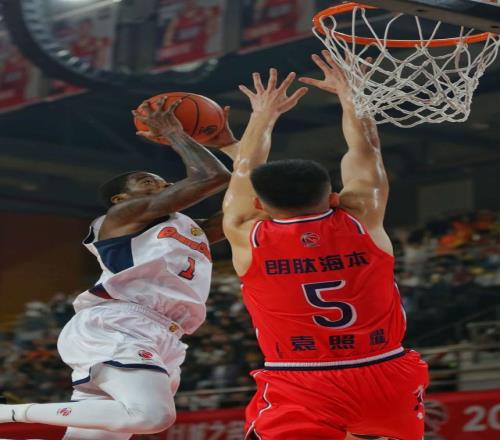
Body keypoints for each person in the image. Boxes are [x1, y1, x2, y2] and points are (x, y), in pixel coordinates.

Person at [0, 98, 238, 439]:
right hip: (120, 322)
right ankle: (9, 413)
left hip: (165, 334)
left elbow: (251, 203)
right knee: (151, 416)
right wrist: (174, 133)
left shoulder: (192, 227)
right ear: (120, 199)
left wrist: (235, 147)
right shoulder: (120, 217)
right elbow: (212, 177)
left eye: (162, 181)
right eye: (146, 181)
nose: (161, 184)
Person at [222, 54, 429, 439]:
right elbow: (367, 151)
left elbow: (243, 170)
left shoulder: (245, 233)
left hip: (301, 379)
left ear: (259, 205)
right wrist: (354, 95)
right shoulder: (362, 218)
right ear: (334, 196)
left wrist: (263, 115)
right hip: (385, 368)